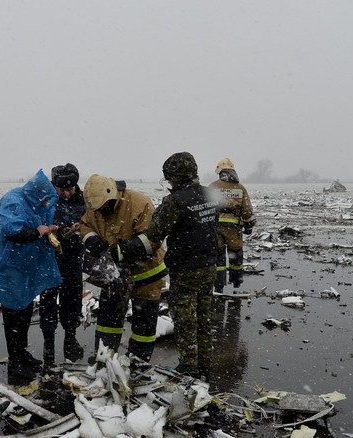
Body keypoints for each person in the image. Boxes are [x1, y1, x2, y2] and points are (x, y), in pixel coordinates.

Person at [111, 152, 219, 377]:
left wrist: (161, 210)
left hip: (186, 267)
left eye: (169, 178)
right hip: (209, 264)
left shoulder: (176, 201)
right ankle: (205, 364)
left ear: (175, 178)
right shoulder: (210, 193)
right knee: (203, 316)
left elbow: (155, 232)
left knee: (185, 319)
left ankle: (189, 367)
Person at [0, 170, 62, 385]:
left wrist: (47, 230)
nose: (47, 203)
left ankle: (22, 354)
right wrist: (37, 231)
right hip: (10, 267)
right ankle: (16, 362)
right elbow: (10, 231)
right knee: (13, 316)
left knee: (25, 311)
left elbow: (36, 225)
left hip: (24, 267)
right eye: (45, 198)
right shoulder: (14, 201)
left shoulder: (33, 202)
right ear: (37, 193)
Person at [80, 174, 167, 362]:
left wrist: (120, 251)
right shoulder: (95, 208)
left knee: (144, 324)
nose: (101, 212)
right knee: (107, 321)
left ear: (112, 195)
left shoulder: (138, 203)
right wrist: (93, 240)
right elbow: (85, 225)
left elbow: (153, 238)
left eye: (104, 207)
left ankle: (138, 362)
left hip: (146, 273)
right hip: (113, 276)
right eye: (97, 209)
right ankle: (104, 359)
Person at [39, 163, 86, 367]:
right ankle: (48, 343)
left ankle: (70, 337)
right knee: (48, 299)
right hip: (49, 260)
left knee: (72, 300)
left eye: (70, 189)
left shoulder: (84, 201)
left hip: (73, 259)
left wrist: (79, 229)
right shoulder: (45, 200)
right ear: (54, 186)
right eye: (62, 190)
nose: (67, 194)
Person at [209, 158, 255, 291]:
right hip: (233, 228)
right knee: (236, 255)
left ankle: (218, 285)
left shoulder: (213, 186)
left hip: (215, 227)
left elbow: (205, 206)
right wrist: (248, 225)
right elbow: (247, 209)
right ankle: (236, 283)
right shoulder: (240, 188)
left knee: (218, 257)